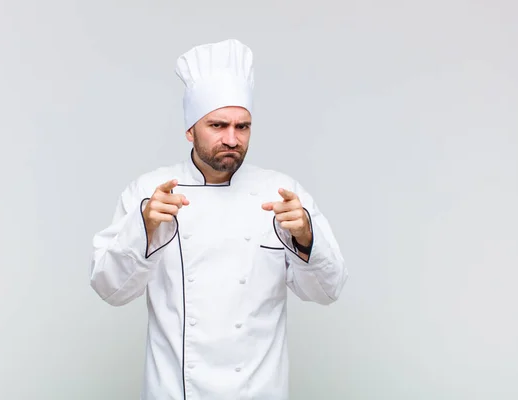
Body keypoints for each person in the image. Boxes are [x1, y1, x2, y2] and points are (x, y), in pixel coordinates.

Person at [90, 38, 348, 400]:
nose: (231, 139)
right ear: (189, 130)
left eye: (242, 127)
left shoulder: (281, 193)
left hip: (259, 391)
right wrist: (142, 231)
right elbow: (109, 289)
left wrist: (307, 238)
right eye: (218, 125)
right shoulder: (149, 193)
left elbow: (328, 290)